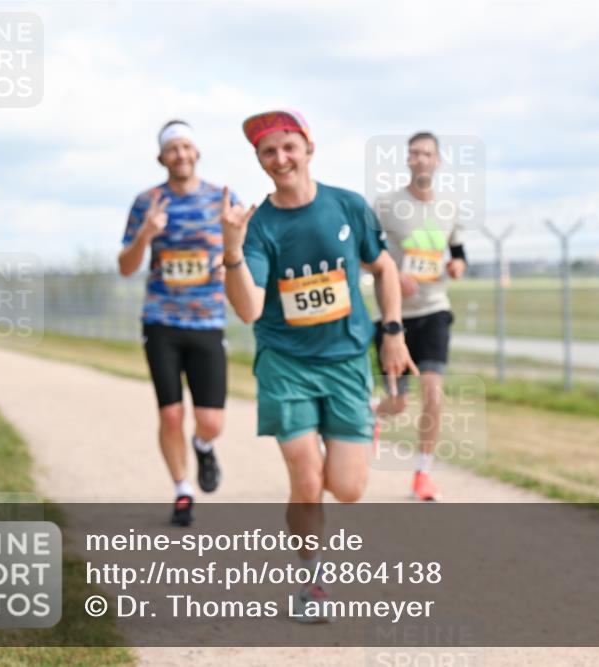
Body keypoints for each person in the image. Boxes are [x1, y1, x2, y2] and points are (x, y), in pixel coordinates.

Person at [222, 109, 417, 620]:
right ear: (260, 161)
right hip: (285, 364)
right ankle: (310, 581)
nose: (280, 158)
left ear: (309, 147)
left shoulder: (347, 206)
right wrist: (231, 250)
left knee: (348, 490)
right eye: (268, 152)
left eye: (289, 146)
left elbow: (384, 266)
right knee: (307, 480)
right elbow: (247, 309)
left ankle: (359, 424)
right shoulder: (260, 226)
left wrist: (392, 331)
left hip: (348, 360)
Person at [119, 120, 237, 527]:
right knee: (170, 413)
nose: (181, 155)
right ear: (161, 158)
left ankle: (203, 445)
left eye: (187, 147)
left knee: (211, 421)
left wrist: (229, 261)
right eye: (173, 149)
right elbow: (125, 266)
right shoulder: (147, 202)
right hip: (161, 320)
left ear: (197, 152)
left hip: (207, 321)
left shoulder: (222, 199)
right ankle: (182, 490)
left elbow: (247, 251)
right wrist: (146, 235)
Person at [372, 131, 466, 501]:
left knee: (434, 394)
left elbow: (457, 250)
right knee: (397, 404)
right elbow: (370, 253)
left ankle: (423, 475)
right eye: (414, 153)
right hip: (394, 316)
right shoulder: (386, 205)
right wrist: (394, 276)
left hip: (434, 309)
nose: (420, 159)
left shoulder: (449, 208)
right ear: (407, 160)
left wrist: (457, 264)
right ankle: (373, 411)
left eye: (427, 153)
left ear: (438, 161)